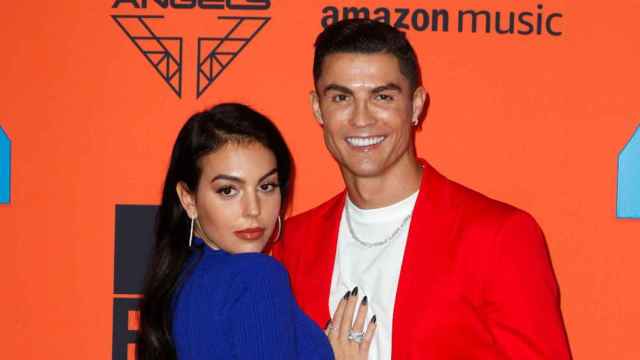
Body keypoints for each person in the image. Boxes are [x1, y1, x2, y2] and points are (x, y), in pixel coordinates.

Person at [273, 19, 573, 359]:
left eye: (382, 96)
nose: (361, 118)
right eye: (342, 97)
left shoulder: (498, 236)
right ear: (318, 108)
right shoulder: (291, 244)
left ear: (416, 105)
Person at [136, 103, 376, 360]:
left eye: (266, 186)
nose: (253, 209)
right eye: (228, 190)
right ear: (188, 199)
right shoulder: (257, 276)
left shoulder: (178, 283)